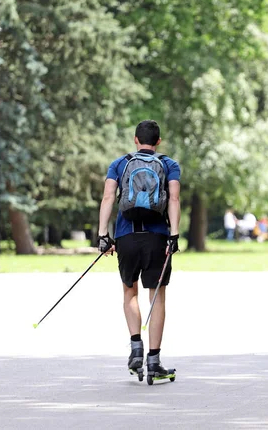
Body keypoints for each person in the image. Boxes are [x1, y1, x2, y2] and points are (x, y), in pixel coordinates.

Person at [97, 120, 181, 383]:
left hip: (126, 236)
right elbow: (174, 199)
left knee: (129, 291)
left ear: (135, 139)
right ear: (158, 141)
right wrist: (175, 235)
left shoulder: (119, 164)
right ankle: (154, 361)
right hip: (157, 238)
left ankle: (136, 347)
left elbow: (109, 197)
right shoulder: (169, 165)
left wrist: (102, 235)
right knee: (157, 296)